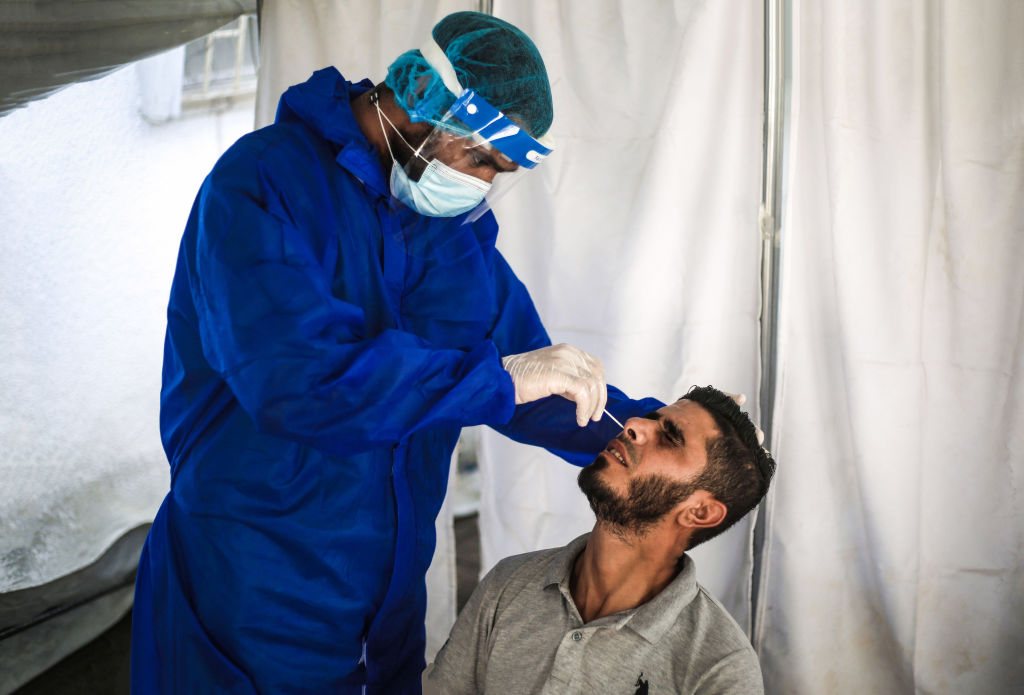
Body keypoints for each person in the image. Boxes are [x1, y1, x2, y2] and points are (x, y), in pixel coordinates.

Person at [130, 11, 664, 695]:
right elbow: (299, 382)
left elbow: (532, 379)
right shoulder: (262, 186)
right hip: (253, 588)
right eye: (479, 160)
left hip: (385, 601)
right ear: (417, 101)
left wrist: (650, 428)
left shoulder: (450, 234)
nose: (483, 186)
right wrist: (496, 379)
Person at [426, 386, 776, 695]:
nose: (633, 424)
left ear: (699, 512)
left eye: (670, 437)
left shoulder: (718, 668)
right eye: (649, 418)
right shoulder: (507, 585)